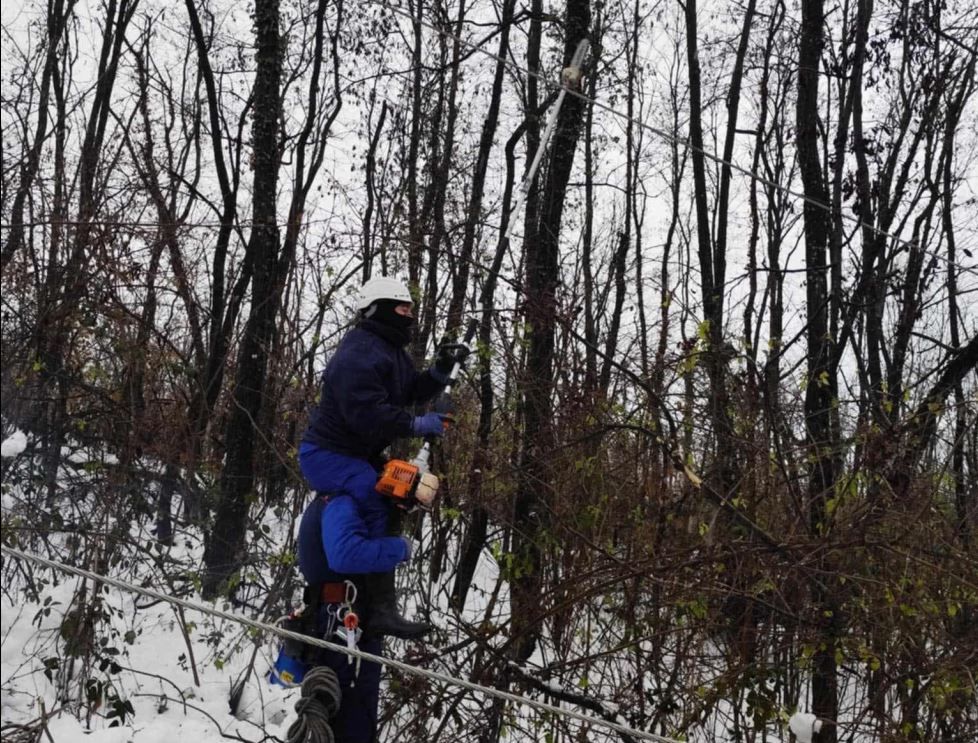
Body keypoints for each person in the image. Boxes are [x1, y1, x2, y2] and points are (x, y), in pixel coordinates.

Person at [294, 276, 466, 742]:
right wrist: (396, 548)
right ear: (378, 310)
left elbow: (409, 388)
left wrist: (440, 371)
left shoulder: (388, 352)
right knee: (375, 493)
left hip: (355, 457)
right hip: (329, 454)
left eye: (411, 310)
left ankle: (381, 602)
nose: (408, 317)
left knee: (387, 489)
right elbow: (368, 415)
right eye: (401, 309)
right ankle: (383, 604)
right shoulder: (357, 354)